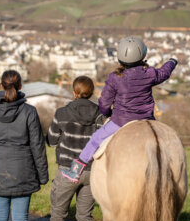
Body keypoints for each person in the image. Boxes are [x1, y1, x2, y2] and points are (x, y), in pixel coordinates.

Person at [62, 36, 178, 182]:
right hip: (147, 120)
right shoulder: (149, 74)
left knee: (96, 139)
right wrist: (172, 62)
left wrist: (108, 113)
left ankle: (76, 170)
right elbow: (164, 73)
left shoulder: (114, 78)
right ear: (142, 55)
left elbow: (104, 103)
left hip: (120, 121)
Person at [0, 70, 49, 221]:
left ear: (2, 86)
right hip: (23, 173)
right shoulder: (29, 112)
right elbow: (38, 147)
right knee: (20, 219)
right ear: (20, 86)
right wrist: (43, 176)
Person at [47, 76, 105, 221]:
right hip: (91, 171)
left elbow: (51, 141)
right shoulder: (100, 114)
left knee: (57, 217)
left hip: (67, 170)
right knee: (85, 217)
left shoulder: (62, 113)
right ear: (92, 92)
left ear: (74, 92)